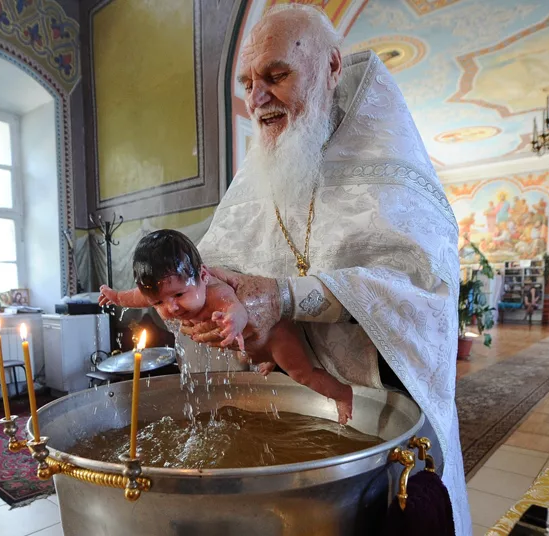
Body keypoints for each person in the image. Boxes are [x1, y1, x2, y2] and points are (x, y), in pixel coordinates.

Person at [178, 5, 470, 532]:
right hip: (285, 417)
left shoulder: (390, 170)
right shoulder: (258, 178)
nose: (256, 98)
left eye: (276, 75)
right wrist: (216, 314)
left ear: (332, 68)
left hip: (378, 419)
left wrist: (286, 298)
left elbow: (422, 289)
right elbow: (219, 272)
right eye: (247, 81)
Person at [98, 230, 353, 423]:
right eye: (159, 302)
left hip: (277, 337)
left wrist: (233, 323)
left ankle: (342, 393)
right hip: (252, 347)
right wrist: (116, 297)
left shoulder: (216, 293)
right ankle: (265, 359)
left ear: (203, 276)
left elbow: (239, 310)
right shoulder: (162, 293)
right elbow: (137, 296)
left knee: (301, 373)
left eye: (178, 295)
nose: (172, 308)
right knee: (251, 354)